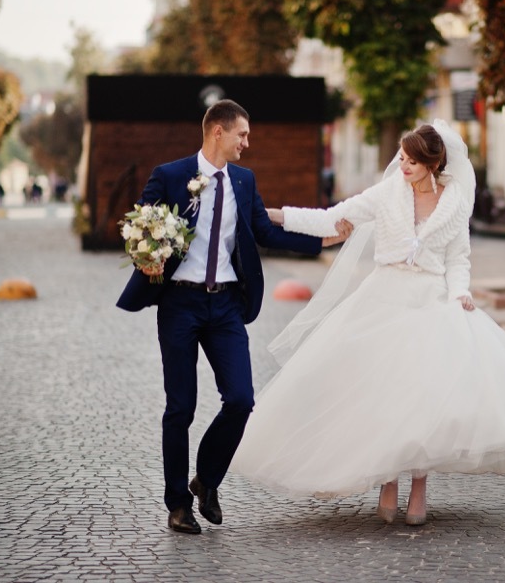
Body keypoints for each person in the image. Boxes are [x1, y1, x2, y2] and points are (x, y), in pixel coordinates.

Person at [231, 120, 505, 526]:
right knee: (383, 394)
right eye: (401, 158)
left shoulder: (455, 201)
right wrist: (271, 215)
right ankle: (387, 481)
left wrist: (461, 292)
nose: (401, 166)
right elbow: (332, 218)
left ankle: (419, 487)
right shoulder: (388, 193)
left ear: (432, 164)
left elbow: (459, 257)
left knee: (422, 397)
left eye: (410, 161)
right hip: (383, 298)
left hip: (431, 301)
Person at [117, 99, 350, 535]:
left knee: (241, 399)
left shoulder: (243, 180)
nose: (247, 142)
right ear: (217, 132)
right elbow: (140, 227)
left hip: (224, 304)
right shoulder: (169, 176)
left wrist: (321, 242)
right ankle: (177, 505)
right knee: (180, 408)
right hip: (179, 304)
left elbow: (263, 229)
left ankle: (206, 479)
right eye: (242, 134)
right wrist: (146, 256)